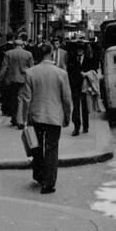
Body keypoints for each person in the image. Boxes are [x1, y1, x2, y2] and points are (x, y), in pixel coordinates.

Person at [16, 42, 72, 194]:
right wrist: (67, 117)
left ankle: (39, 175)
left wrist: (25, 119)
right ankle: (48, 183)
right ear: (52, 54)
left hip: (36, 116)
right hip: (54, 116)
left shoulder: (31, 72)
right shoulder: (61, 73)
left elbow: (27, 98)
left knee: (37, 146)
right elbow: (67, 99)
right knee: (52, 148)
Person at [0, 33, 34, 126]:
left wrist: (0, 78)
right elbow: (32, 68)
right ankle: (21, 119)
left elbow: (4, 67)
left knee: (13, 99)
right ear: (22, 45)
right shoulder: (28, 54)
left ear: (14, 45)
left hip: (11, 79)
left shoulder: (9, 53)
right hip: (24, 79)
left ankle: (15, 118)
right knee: (21, 99)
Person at [67, 41, 90, 136]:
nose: (79, 51)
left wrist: (86, 74)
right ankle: (76, 128)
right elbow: (69, 72)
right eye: (78, 49)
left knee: (85, 107)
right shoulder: (72, 59)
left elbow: (94, 70)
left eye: (81, 49)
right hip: (75, 86)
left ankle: (85, 126)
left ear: (84, 50)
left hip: (85, 86)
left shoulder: (89, 59)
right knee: (76, 107)